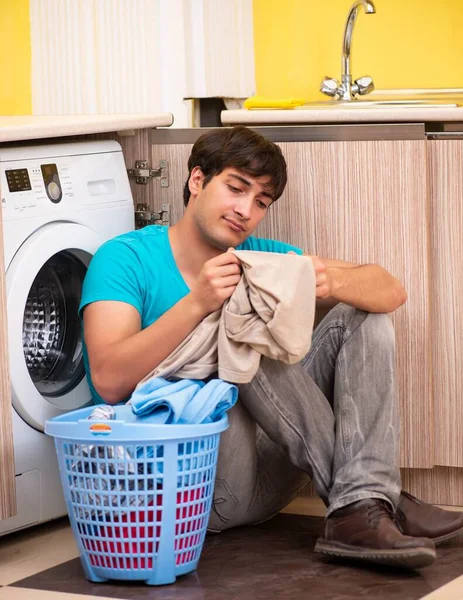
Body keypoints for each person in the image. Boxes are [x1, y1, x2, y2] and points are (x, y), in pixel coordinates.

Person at [80, 126, 463, 570]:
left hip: (272, 476)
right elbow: (108, 382)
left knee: (362, 315)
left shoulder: (262, 258)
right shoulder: (126, 258)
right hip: (190, 489)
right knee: (242, 319)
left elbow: (390, 290)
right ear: (197, 181)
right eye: (236, 189)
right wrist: (198, 304)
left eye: (261, 202)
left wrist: (330, 280)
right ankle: (380, 498)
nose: (246, 210)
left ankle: (361, 503)